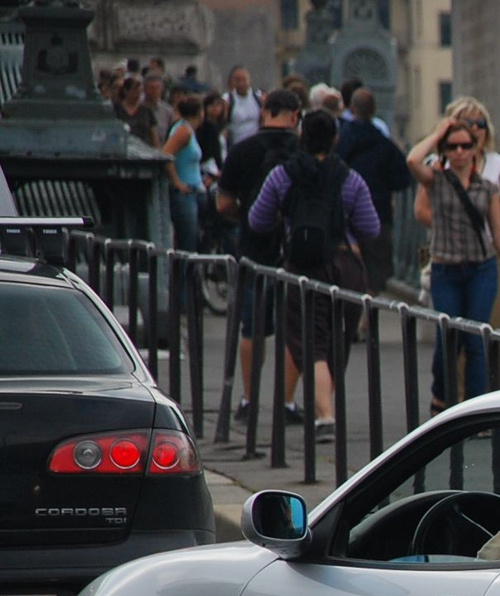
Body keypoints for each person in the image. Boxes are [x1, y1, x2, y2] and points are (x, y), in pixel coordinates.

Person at [249, 109, 381, 440]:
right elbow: (370, 227)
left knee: (312, 343)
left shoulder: (283, 175)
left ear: (302, 136)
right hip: (345, 265)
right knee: (337, 341)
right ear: (335, 138)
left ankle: (324, 416)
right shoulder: (350, 178)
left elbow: (257, 220)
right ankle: (325, 409)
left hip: (303, 267)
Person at [407, 116, 500, 411]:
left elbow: (498, 233)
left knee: (476, 339)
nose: (459, 151)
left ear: (475, 149)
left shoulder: (487, 188)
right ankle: (442, 396)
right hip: (446, 270)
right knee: (448, 340)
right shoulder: (436, 181)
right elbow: (412, 159)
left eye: (465, 146)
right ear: (445, 151)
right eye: (453, 146)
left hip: (481, 269)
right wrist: (437, 133)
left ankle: (474, 409)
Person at [216, 88, 301, 418]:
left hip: (254, 247)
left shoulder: (243, 149)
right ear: (295, 116)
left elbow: (223, 203)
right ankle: (287, 402)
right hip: (295, 251)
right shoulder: (302, 152)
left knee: (252, 328)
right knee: (293, 328)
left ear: (264, 111)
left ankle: (250, 400)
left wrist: (249, 216)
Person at [335, 88, 410, 294]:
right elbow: (403, 177)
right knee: (376, 266)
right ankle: (369, 307)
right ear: (374, 110)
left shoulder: (341, 139)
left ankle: (354, 306)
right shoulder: (384, 144)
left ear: (351, 108)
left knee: (348, 262)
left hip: (346, 212)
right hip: (379, 210)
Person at [162, 95, 204, 258]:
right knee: (187, 241)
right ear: (200, 113)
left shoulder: (187, 129)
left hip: (194, 190)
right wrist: (177, 182)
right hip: (184, 193)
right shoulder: (183, 131)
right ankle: (183, 281)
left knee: (193, 238)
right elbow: (166, 154)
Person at [225, 65, 264, 148]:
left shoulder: (258, 98)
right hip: (237, 146)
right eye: (237, 80)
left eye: (244, 79)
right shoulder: (227, 100)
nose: (241, 83)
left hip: (256, 145)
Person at [118, 76, 157, 147]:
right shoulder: (117, 109)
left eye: (140, 90)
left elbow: (153, 135)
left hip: (144, 149)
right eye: (134, 90)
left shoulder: (147, 110)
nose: (137, 93)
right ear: (126, 90)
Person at [143, 73, 175, 143]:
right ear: (144, 89)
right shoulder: (139, 108)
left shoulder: (168, 111)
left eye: (157, 88)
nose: (154, 91)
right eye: (151, 88)